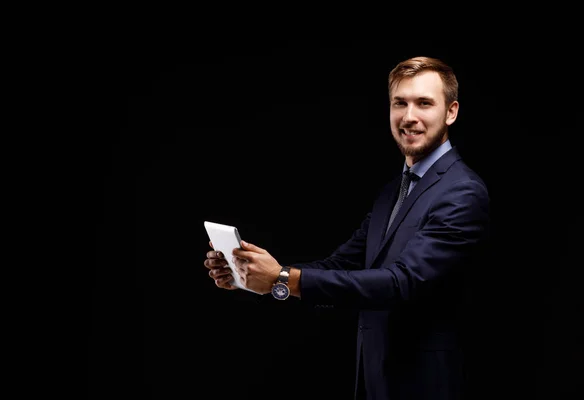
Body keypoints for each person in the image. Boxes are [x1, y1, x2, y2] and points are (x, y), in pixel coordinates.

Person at [204, 56, 491, 400]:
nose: (409, 116)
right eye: (399, 103)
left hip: (426, 385)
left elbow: (401, 283)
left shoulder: (462, 191)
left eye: (424, 103)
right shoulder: (393, 191)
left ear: (451, 112)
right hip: (374, 380)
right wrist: (259, 275)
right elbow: (340, 266)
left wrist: (282, 279)